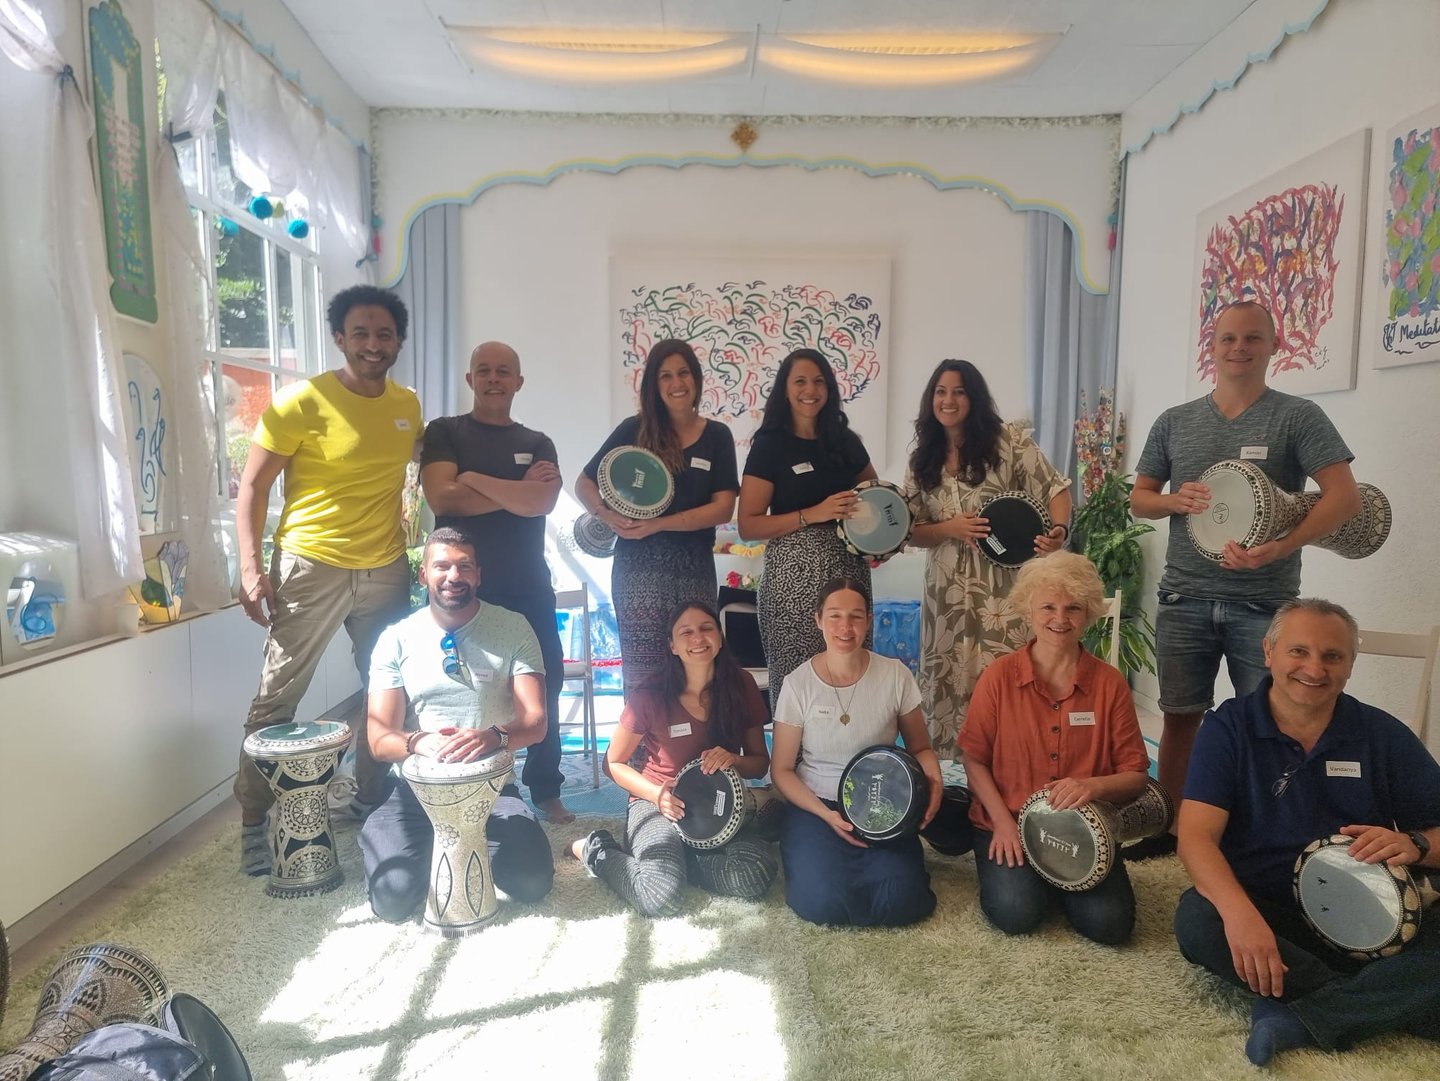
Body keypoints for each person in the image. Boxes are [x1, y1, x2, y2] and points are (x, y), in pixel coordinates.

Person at [1129, 301, 1362, 858]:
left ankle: (1262, 835)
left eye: (1253, 338)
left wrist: (1282, 546)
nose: (1239, 348)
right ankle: (1171, 828)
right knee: (1180, 717)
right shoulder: (1174, 420)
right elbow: (1140, 499)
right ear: (1211, 346)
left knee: (1274, 722)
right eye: (1229, 338)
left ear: (1274, 345)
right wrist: (1173, 500)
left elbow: (1345, 498)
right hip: (1183, 597)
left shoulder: (1297, 416)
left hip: (1265, 604)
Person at [1173, 598, 1440, 1066]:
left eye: (1332, 656)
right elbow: (1195, 838)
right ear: (1268, 652)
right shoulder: (1228, 727)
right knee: (1198, 921)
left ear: (1350, 665)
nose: (1314, 669)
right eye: (1299, 651)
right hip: (1268, 907)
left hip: (1376, 914)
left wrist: (1415, 844)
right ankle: (1390, 998)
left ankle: (1305, 1014)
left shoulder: (1382, 733)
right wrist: (1240, 916)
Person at [234, 285, 422, 875]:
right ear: (340, 338)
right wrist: (250, 568)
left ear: (399, 341)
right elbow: (253, 487)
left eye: (384, 334)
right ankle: (253, 821)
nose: (373, 344)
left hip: (385, 568)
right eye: (360, 333)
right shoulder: (301, 402)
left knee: (390, 689)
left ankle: (370, 798)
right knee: (278, 697)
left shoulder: (408, 406)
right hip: (310, 567)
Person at [359, 528, 554, 921]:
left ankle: (462, 844)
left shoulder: (513, 628)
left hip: (492, 791)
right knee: (392, 899)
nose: (454, 576)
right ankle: (409, 840)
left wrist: (494, 737)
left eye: (465, 566)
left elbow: (535, 722)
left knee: (532, 882)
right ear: (423, 575)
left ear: (479, 575)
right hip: (415, 792)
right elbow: (379, 740)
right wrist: (417, 741)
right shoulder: (396, 639)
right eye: (442, 566)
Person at [958, 552, 1150, 944]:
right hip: (1008, 821)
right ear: (1028, 609)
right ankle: (1038, 879)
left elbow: (1136, 776)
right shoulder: (998, 677)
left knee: (1110, 926)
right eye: (1048, 607)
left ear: (1089, 612)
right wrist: (1002, 824)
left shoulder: (1110, 684)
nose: (1060, 619)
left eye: (1073, 608)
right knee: (1016, 914)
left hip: (1084, 831)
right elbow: (974, 759)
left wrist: (1092, 786)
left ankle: (1056, 881)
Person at [420, 341, 573, 823]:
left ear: (518, 382)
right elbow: (443, 498)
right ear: (470, 379)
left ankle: (546, 787)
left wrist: (473, 478)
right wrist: (518, 490)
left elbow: (542, 503)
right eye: (483, 370)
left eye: (503, 371)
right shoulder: (445, 431)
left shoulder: (539, 442)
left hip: (527, 584)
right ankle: (467, 778)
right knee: (460, 684)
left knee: (546, 683)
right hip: (460, 585)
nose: (493, 378)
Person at [904, 359, 1072, 760]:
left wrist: (1059, 531)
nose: (948, 400)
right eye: (941, 392)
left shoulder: (1008, 442)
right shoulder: (922, 458)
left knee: (1007, 674)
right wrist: (950, 528)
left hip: (1004, 590)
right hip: (945, 593)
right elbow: (910, 530)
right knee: (947, 676)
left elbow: (1056, 489)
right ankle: (951, 775)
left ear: (974, 397)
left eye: (959, 391)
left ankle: (1014, 767)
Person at [570, 602, 777, 915]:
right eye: (686, 632)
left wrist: (734, 759)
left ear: (720, 637)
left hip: (719, 806)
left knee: (754, 874)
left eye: (706, 628)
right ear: (673, 646)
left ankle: (676, 862)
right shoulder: (650, 694)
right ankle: (596, 849)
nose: (698, 638)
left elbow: (759, 763)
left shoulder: (742, 684)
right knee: (660, 897)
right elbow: (612, 763)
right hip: (656, 803)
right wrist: (657, 794)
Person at [770, 578, 942, 927]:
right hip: (817, 805)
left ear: (868, 621)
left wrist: (935, 782)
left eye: (855, 616)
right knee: (820, 902)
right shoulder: (798, 684)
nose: (845, 627)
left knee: (903, 898)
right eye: (834, 616)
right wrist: (826, 815)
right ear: (818, 619)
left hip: (882, 801)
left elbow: (920, 747)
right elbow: (782, 770)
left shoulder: (895, 675)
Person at [577, 340, 738, 692]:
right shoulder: (633, 430)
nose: (676, 383)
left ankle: (697, 733)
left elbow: (723, 507)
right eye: (666, 376)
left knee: (697, 668)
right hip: (638, 569)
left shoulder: (717, 436)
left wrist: (659, 524)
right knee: (644, 675)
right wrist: (605, 514)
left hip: (694, 567)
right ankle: (642, 733)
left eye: (683, 373)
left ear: (696, 379)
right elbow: (584, 483)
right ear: (654, 384)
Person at [738, 349, 878, 704]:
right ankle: (790, 745)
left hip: (849, 578)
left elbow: (878, 500)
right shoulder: (770, 445)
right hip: (791, 584)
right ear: (785, 390)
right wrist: (812, 514)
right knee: (795, 688)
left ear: (829, 388)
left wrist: (881, 544)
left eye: (818, 381)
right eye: (800, 381)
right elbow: (748, 525)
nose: (810, 389)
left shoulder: (846, 442)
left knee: (851, 680)